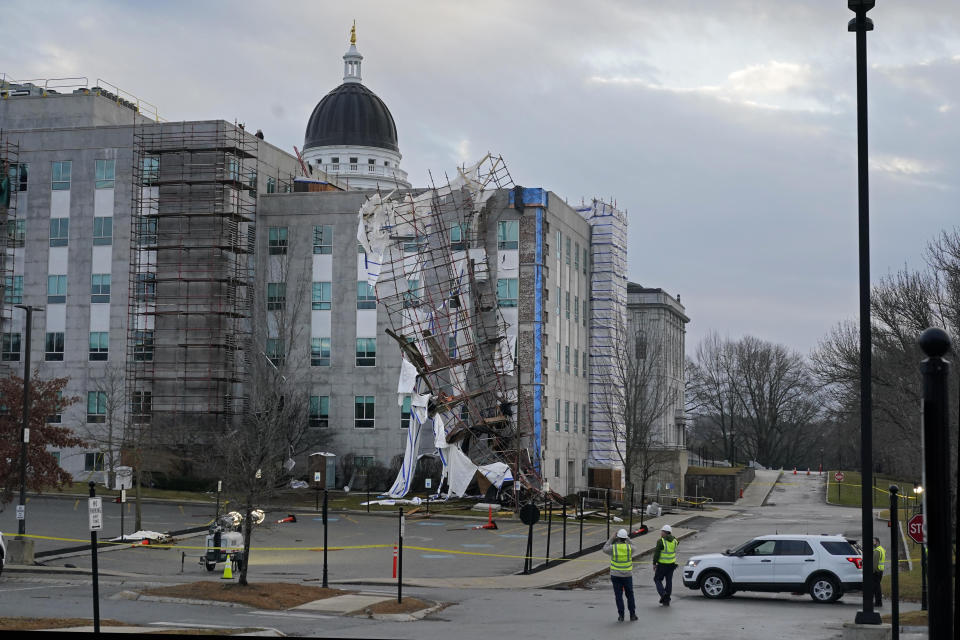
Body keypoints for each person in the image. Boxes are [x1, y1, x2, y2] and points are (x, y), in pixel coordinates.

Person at [602, 528, 637, 622]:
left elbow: (604, 548)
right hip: (627, 575)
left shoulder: (613, 548)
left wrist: (612, 538)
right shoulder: (629, 548)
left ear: (618, 537)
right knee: (630, 595)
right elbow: (634, 546)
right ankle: (632, 615)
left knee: (618, 596)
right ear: (625, 538)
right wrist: (627, 538)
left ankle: (621, 616)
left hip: (616, 575)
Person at [653, 524, 679, 606]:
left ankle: (663, 594)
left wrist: (654, 563)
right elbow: (677, 542)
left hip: (662, 565)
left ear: (665, 532)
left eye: (662, 531)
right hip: (671, 565)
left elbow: (656, 554)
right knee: (669, 581)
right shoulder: (675, 541)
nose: (661, 533)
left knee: (657, 579)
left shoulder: (661, 541)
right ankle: (666, 600)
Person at [872, 536, 886, 607]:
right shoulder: (881, 549)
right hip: (880, 570)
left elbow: (875, 562)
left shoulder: (877, 551)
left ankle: (878, 603)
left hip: (876, 571)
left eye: (873, 541)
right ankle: (878, 602)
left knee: (876, 588)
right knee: (877, 587)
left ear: (877, 542)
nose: (872, 543)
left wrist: (873, 571)